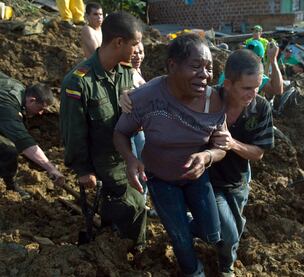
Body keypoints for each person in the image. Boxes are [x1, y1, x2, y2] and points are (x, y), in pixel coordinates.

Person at [113, 34, 227, 276]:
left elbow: (221, 146)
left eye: (209, 68)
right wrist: (131, 160)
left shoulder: (214, 101)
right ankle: (193, 270)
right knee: (181, 240)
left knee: (211, 233)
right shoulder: (146, 97)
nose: (205, 75)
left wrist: (206, 157)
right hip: (161, 178)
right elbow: (120, 133)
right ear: (173, 65)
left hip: (196, 177)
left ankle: (179, 220)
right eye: (196, 66)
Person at [59, 12, 147, 245]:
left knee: (134, 200)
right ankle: (132, 250)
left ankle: (115, 234)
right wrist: (83, 169)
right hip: (101, 161)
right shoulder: (78, 82)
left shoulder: (125, 72)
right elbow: (73, 132)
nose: (138, 51)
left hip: (123, 154)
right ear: (119, 42)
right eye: (135, 44)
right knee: (134, 205)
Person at [210, 49, 275, 276]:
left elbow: (258, 153)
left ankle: (222, 258)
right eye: (246, 88)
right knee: (229, 233)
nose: (253, 94)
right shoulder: (208, 100)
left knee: (234, 229)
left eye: (257, 87)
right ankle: (225, 266)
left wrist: (232, 144)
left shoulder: (261, 108)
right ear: (228, 84)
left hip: (238, 181)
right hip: (208, 181)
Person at [0, 71, 64, 199]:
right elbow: (24, 142)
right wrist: (50, 168)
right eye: (40, 109)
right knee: (9, 150)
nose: (40, 114)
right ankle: (10, 185)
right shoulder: (9, 108)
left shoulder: (17, 86)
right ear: (32, 100)